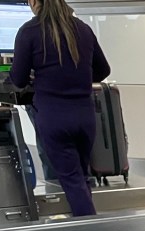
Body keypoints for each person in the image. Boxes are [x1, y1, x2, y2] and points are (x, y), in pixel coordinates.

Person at [10, 0, 110, 216]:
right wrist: (76, 78)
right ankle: (86, 225)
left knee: (72, 181)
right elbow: (103, 70)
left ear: (34, 2)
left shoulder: (30, 31)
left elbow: (18, 79)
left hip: (54, 117)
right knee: (81, 178)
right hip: (85, 117)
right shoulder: (83, 29)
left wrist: (41, 78)